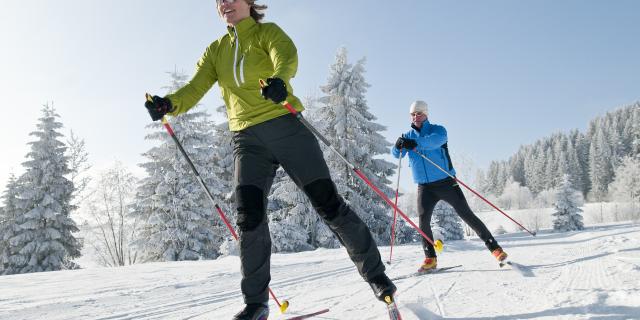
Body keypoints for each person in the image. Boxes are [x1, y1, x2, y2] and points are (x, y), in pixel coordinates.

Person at [144, 1, 395, 319]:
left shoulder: (267, 33)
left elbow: (286, 59)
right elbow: (195, 87)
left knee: (328, 204)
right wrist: (169, 104)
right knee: (249, 218)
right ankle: (255, 303)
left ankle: (377, 277)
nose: (224, 4)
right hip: (247, 140)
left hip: (286, 127)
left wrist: (278, 80)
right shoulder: (216, 50)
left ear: (248, 2)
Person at [391, 100, 508, 272]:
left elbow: (433, 142)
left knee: (467, 215)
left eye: (420, 113)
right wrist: (398, 145)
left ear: (426, 114)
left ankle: (495, 249)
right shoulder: (407, 135)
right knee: (423, 222)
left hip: (445, 182)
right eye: (413, 114)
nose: (416, 117)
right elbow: (396, 155)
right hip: (424, 187)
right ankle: (430, 259)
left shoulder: (438, 130)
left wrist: (415, 143)